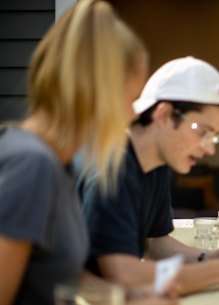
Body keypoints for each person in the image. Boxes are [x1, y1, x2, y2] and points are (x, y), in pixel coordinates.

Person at [0, 1, 174, 305]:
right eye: (131, 97)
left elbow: (61, 277)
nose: (133, 114)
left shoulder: (59, 164)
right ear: (95, 91)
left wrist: (129, 298)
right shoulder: (31, 165)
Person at [76, 56, 219, 296]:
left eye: (215, 136)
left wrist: (209, 258)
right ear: (165, 114)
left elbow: (156, 242)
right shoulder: (114, 164)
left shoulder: (155, 164)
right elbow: (123, 274)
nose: (210, 149)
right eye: (202, 131)